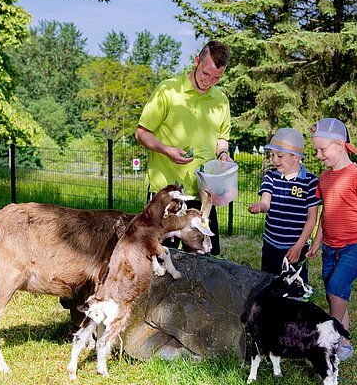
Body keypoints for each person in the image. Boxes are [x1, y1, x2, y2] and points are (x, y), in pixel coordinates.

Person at [135, 40, 232, 255]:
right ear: (196, 61)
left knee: (203, 258)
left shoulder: (221, 100)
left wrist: (223, 153)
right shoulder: (167, 90)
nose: (209, 82)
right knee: (159, 254)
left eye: (217, 78)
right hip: (166, 193)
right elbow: (141, 133)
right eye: (206, 73)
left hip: (203, 193)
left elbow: (222, 138)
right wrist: (166, 150)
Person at [305, 118, 357, 362]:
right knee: (333, 294)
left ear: (339, 145)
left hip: (355, 247)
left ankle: (331, 337)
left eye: (322, 149)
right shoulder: (324, 179)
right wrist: (317, 242)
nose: (318, 155)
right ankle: (345, 344)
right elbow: (327, 214)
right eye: (316, 149)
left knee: (337, 290)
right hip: (330, 248)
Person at [248, 128, 319, 283]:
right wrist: (259, 207)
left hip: (294, 248)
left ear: (296, 157)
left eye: (279, 156)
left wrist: (299, 247)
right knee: (268, 286)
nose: (274, 160)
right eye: (272, 155)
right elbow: (266, 203)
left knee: (295, 289)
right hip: (270, 246)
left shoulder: (310, 181)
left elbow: (311, 219)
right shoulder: (271, 176)